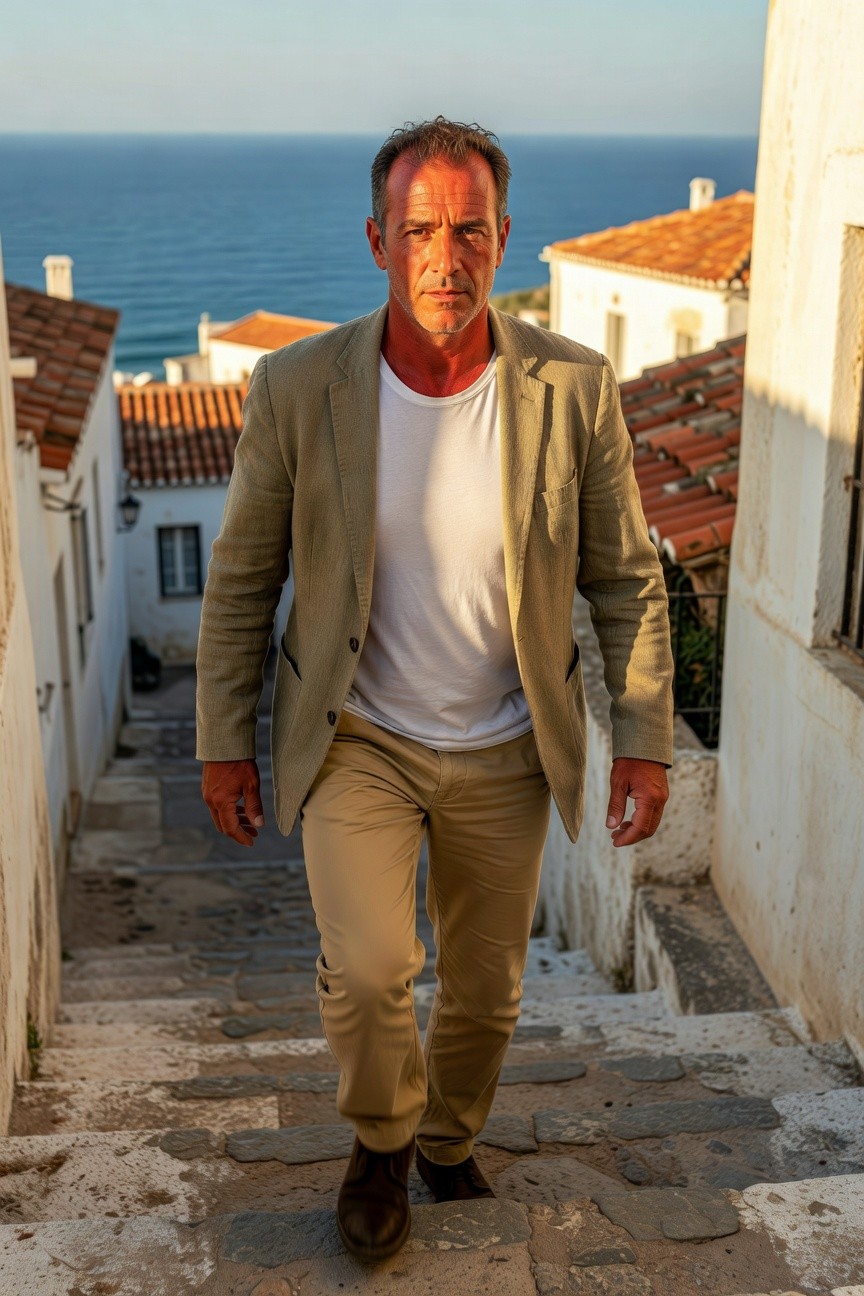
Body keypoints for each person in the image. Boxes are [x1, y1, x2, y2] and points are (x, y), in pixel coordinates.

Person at [196, 117, 674, 1263]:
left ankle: (449, 1141)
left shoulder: (571, 386)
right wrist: (224, 739)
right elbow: (244, 576)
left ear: (504, 237)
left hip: (511, 740)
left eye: (470, 229)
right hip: (358, 732)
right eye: (420, 230)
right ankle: (379, 1144)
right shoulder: (298, 387)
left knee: (488, 989)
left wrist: (646, 736)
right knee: (369, 970)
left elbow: (626, 575)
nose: (445, 256)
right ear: (377, 240)